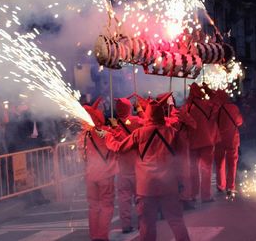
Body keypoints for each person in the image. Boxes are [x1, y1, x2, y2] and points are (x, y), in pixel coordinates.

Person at [106, 93, 190, 241]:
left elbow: (119, 147)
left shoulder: (140, 133)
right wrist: (182, 182)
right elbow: (182, 159)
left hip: (146, 186)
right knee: (176, 221)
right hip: (168, 183)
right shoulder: (172, 132)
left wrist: (108, 137)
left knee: (146, 224)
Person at [79, 97, 118, 241]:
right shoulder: (104, 132)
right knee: (106, 206)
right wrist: (115, 128)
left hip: (90, 174)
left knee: (93, 206)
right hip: (105, 175)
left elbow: (82, 154)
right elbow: (116, 145)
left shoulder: (84, 135)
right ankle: (102, 236)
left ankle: (94, 235)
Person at [113, 97, 143, 234]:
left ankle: (126, 225)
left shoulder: (113, 125)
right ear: (129, 108)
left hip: (122, 167)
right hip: (137, 165)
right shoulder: (136, 121)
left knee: (124, 198)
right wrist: (140, 110)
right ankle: (143, 222)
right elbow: (149, 122)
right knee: (140, 196)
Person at [186, 83, 220, 203]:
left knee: (193, 170)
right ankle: (205, 196)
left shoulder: (187, 107)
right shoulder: (207, 105)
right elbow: (218, 101)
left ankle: (193, 194)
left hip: (192, 143)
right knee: (206, 169)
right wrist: (208, 90)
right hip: (207, 141)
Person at [213, 89, 243, 200]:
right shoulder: (233, 108)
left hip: (219, 140)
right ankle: (230, 187)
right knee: (232, 163)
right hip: (232, 139)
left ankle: (220, 185)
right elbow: (239, 121)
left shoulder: (215, 109)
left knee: (219, 163)